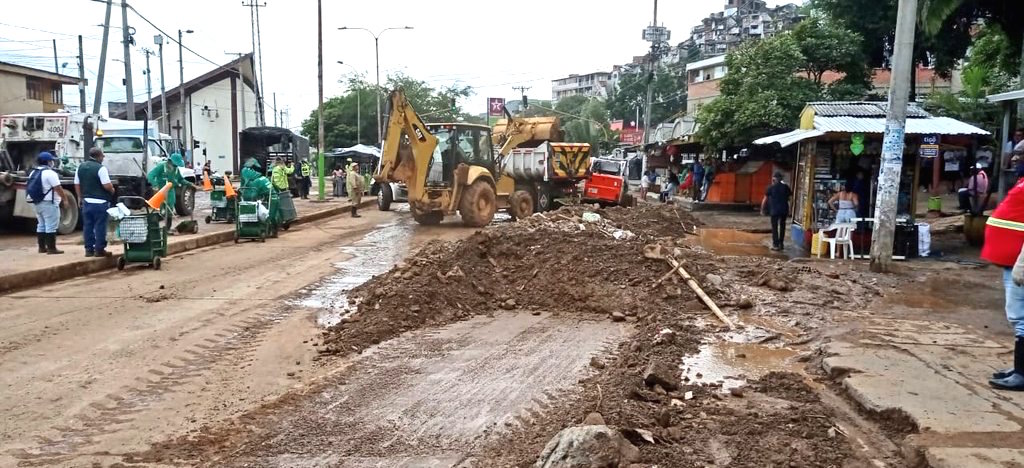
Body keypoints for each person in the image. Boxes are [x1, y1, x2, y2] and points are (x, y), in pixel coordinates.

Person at [982, 177, 1024, 391]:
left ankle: (1022, 373)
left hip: (1020, 262)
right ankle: (1020, 368)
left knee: (1021, 318)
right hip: (1012, 259)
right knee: (1017, 316)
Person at [75, 147, 115, 257]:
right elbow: (106, 185)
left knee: (88, 226)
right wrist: (112, 190)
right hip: (100, 202)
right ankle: (99, 249)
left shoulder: (80, 167)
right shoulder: (101, 168)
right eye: (102, 155)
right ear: (98, 156)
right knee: (100, 226)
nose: (103, 157)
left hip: (87, 201)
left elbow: (77, 184)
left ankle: (89, 250)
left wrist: (80, 197)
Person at [27, 152, 68, 254]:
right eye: (51, 160)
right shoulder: (50, 173)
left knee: (41, 224)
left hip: (37, 202)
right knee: (51, 225)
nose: (52, 162)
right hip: (49, 203)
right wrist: (65, 199)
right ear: (48, 162)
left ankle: (41, 248)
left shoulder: (33, 172)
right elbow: (58, 188)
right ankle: (51, 248)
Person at [146, 153, 193, 233]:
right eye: (175, 165)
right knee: (161, 210)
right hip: (161, 191)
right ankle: (152, 227)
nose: (175, 166)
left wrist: (190, 184)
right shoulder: (161, 167)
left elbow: (180, 179)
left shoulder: (176, 170)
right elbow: (150, 175)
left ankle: (167, 228)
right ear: (170, 161)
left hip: (170, 191)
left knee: (170, 208)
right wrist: (155, 184)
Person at [761, 172, 792, 251]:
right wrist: (791, 209)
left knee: (774, 227)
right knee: (782, 227)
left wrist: (762, 209)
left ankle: (775, 244)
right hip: (784, 210)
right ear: (781, 179)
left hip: (774, 210)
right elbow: (790, 199)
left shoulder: (770, 187)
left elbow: (765, 199)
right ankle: (781, 243)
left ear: (774, 179)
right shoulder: (786, 187)